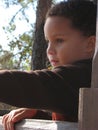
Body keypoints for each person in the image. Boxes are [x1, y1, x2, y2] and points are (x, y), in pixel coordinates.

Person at [0, 0, 97, 130]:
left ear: (90, 44)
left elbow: (35, 83)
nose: (49, 50)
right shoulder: (72, 84)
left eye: (59, 40)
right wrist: (39, 114)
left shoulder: (86, 76)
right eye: (48, 42)